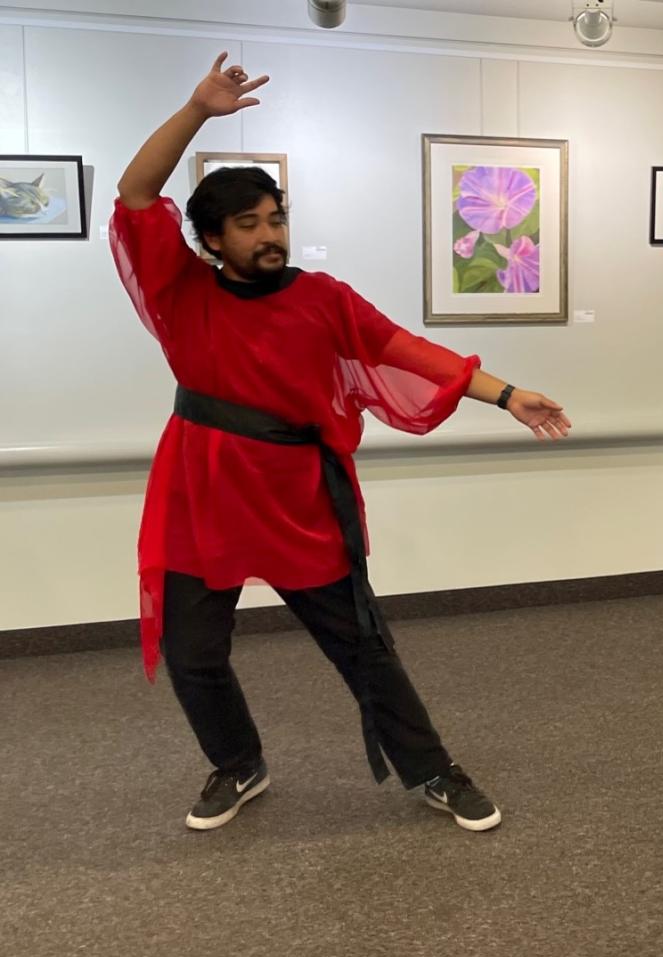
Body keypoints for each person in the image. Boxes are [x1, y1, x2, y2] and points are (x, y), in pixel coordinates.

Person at [110, 53, 571, 833]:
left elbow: (403, 348)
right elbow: (135, 192)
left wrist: (506, 392)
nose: (269, 236)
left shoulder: (321, 298)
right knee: (194, 651)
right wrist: (196, 110)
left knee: (361, 646)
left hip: (297, 495)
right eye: (249, 224)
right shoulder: (178, 288)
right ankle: (238, 762)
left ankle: (432, 768)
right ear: (212, 237)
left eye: (276, 219)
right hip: (202, 489)